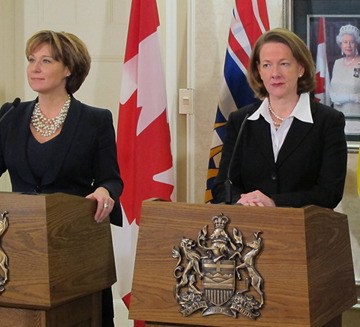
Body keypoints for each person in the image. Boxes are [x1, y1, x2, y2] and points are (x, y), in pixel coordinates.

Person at [0, 30, 122, 326]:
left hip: (75, 248)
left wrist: (105, 192)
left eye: (46, 60)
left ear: (69, 68)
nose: (35, 68)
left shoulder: (95, 120)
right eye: (31, 60)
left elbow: (111, 178)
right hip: (19, 249)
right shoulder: (11, 116)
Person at [212, 28, 347, 209]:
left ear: (300, 68)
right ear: (258, 70)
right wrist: (246, 201)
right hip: (247, 229)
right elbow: (222, 186)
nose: (275, 73)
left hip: (302, 231)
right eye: (267, 65)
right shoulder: (241, 120)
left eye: (284, 64)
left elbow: (329, 193)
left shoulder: (328, 121)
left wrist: (274, 203)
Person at [329, 24, 360, 137]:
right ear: (340, 45)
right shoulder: (337, 63)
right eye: (345, 42)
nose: (348, 45)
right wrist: (341, 97)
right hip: (338, 119)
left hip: (356, 119)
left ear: (356, 43)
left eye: (351, 42)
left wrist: (350, 98)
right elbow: (332, 91)